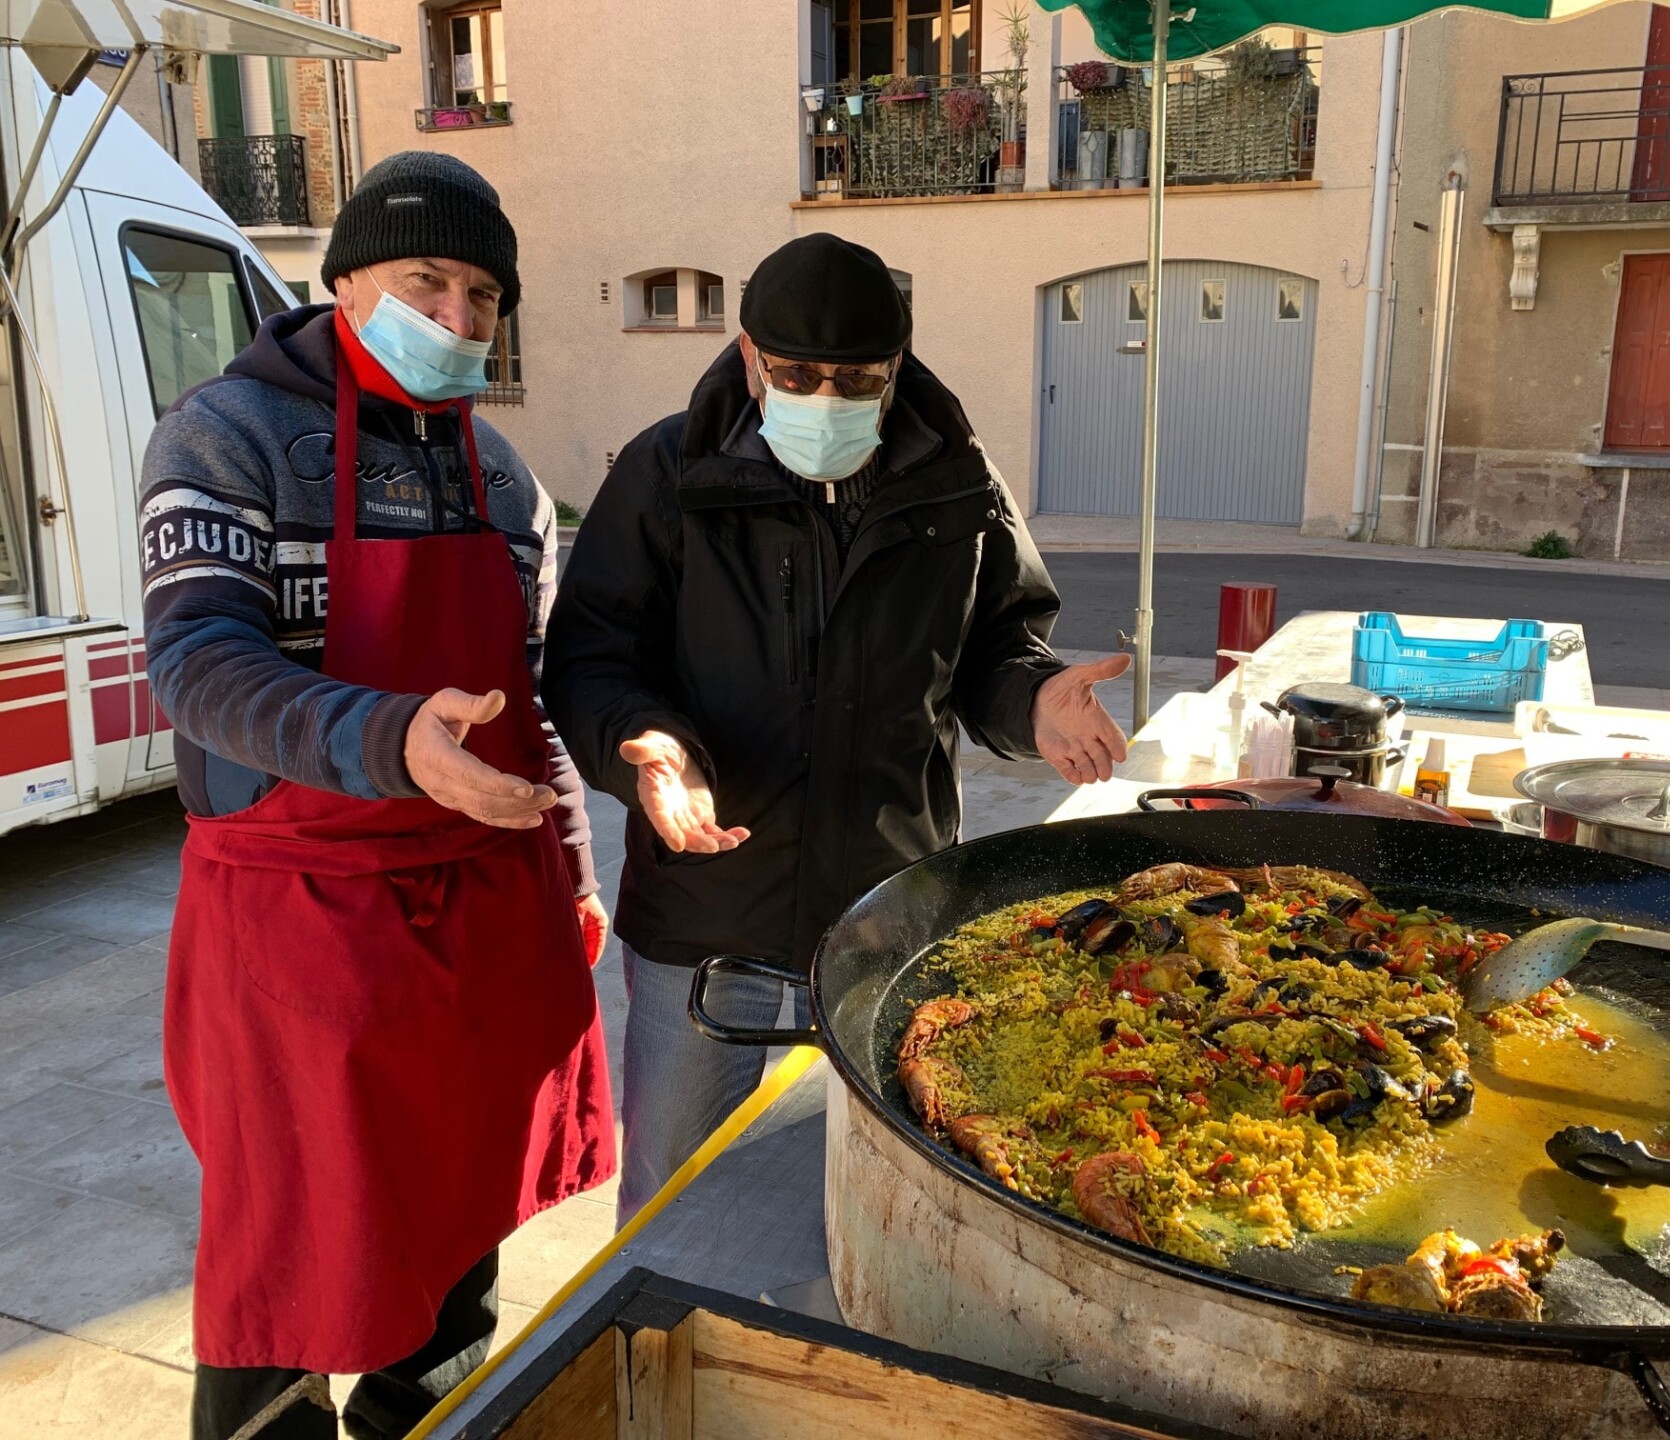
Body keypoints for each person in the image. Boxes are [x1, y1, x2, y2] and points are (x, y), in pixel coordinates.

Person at [142, 152, 615, 1440]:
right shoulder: (224, 436)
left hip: (477, 914)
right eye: (427, 281)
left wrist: (572, 860)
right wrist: (390, 738)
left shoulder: (508, 482)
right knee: (292, 1262)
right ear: (346, 279)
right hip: (300, 930)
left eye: (483, 294)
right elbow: (197, 665)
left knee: (459, 1232)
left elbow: (526, 702)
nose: (459, 318)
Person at [544, 233, 1128, 1222]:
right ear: (747, 356)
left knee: (871, 1198)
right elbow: (592, 656)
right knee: (670, 1202)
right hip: (703, 916)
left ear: (896, 368)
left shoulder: (960, 484)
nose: (825, 398)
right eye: (797, 374)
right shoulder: (666, 474)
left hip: (883, 916)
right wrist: (644, 744)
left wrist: (1034, 701)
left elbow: (996, 650)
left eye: (856, 379)